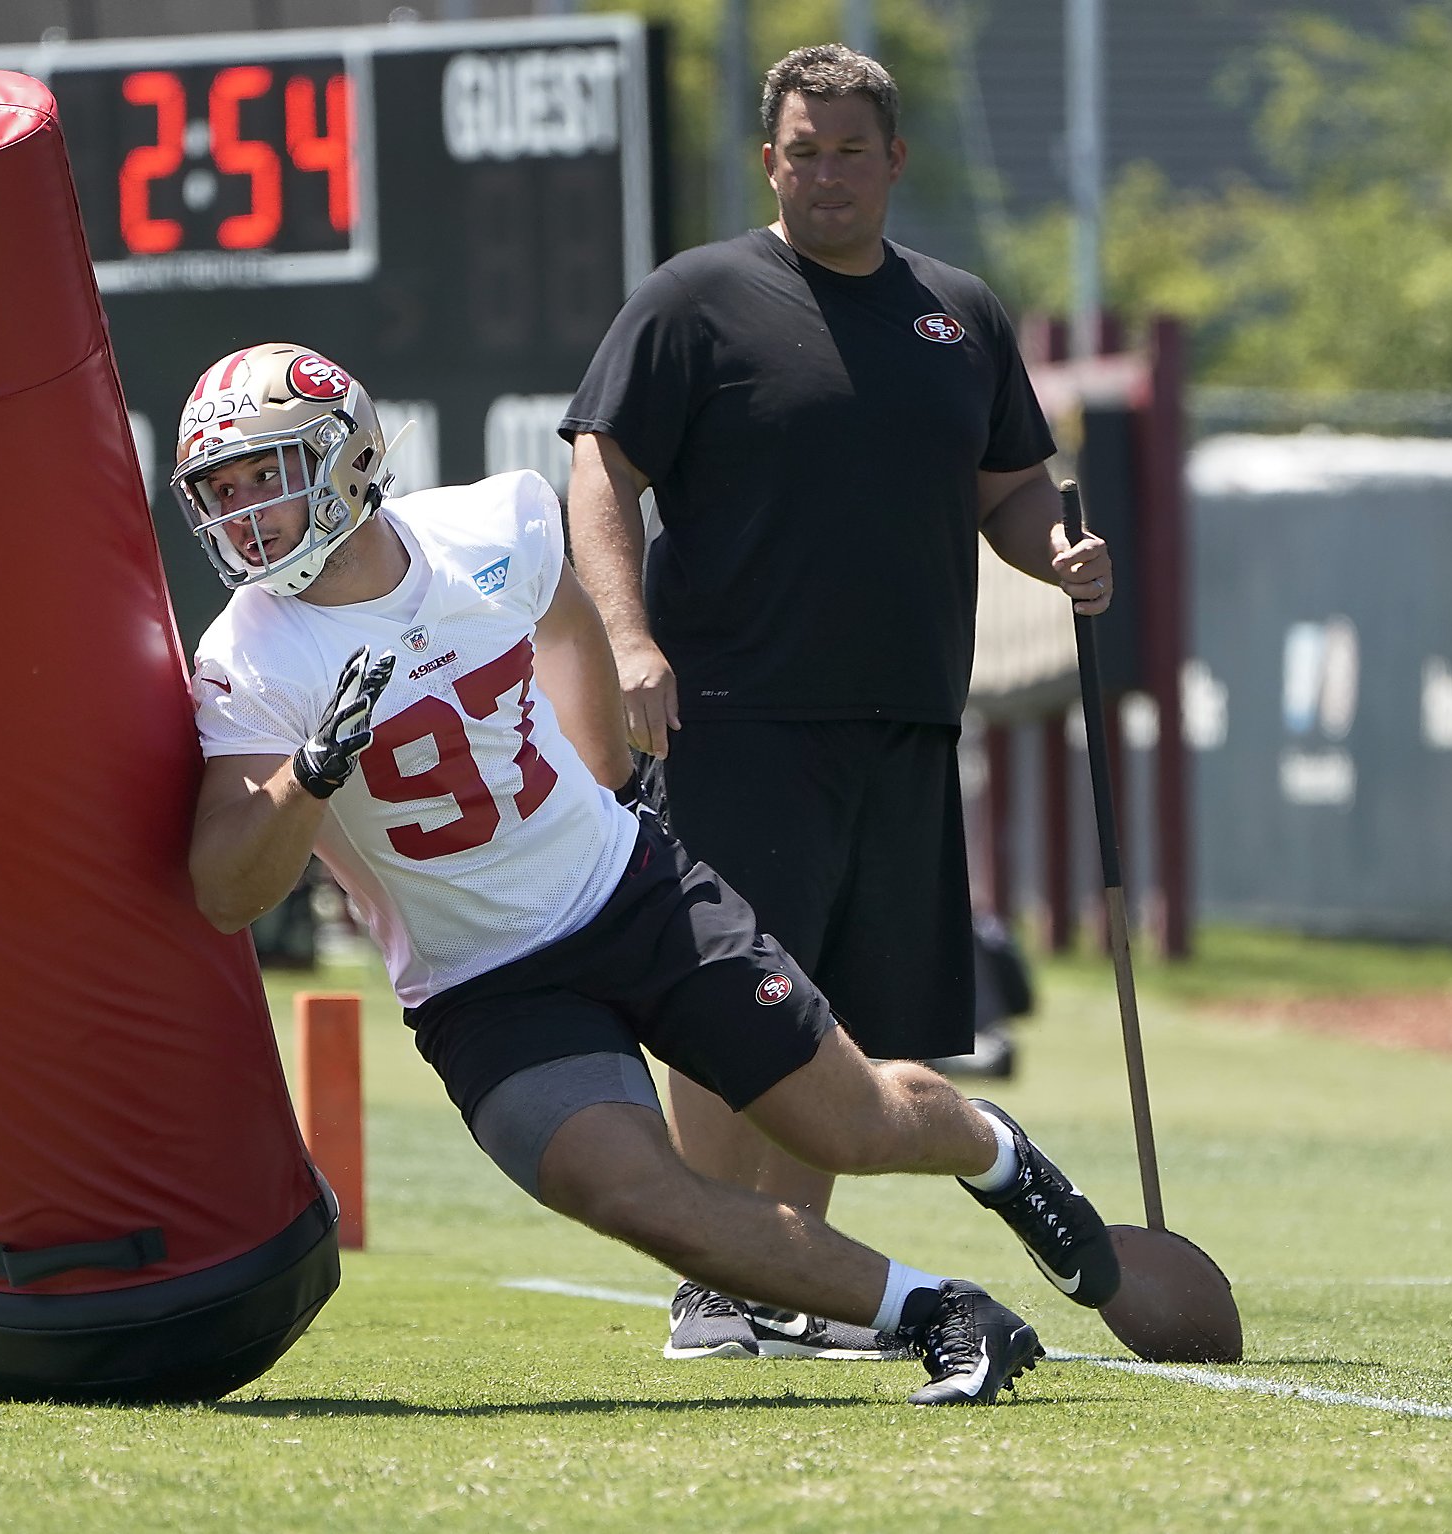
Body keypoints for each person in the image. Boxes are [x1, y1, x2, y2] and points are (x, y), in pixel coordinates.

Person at [178, 341, 1119, 1407]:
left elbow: (566, 627)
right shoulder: (247, 658)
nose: (243, 510)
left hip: (626, 893)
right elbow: (225, 889)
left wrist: (610, 789)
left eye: (266, 474)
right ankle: (941, 1311)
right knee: (627, 1188)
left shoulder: (491, 526)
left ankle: (997, 1155)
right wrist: (308, 775)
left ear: (345, 459)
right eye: (221, 489)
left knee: (845, 1124)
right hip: (481, 981)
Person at [559, 43, 1116, 1360]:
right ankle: (713, 1278)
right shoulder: (697, 300)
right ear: (771, 160)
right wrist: (630, 641)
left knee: (840, 1018)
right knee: (732, 999)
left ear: (893, 160)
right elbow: (600, 471)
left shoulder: (960, 314)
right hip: (739, 714)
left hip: (910, 719)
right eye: (801, 153)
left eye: (848, 152)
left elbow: (1012, 491)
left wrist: (1061, 552)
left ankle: (792, 1280)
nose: (825, 176)